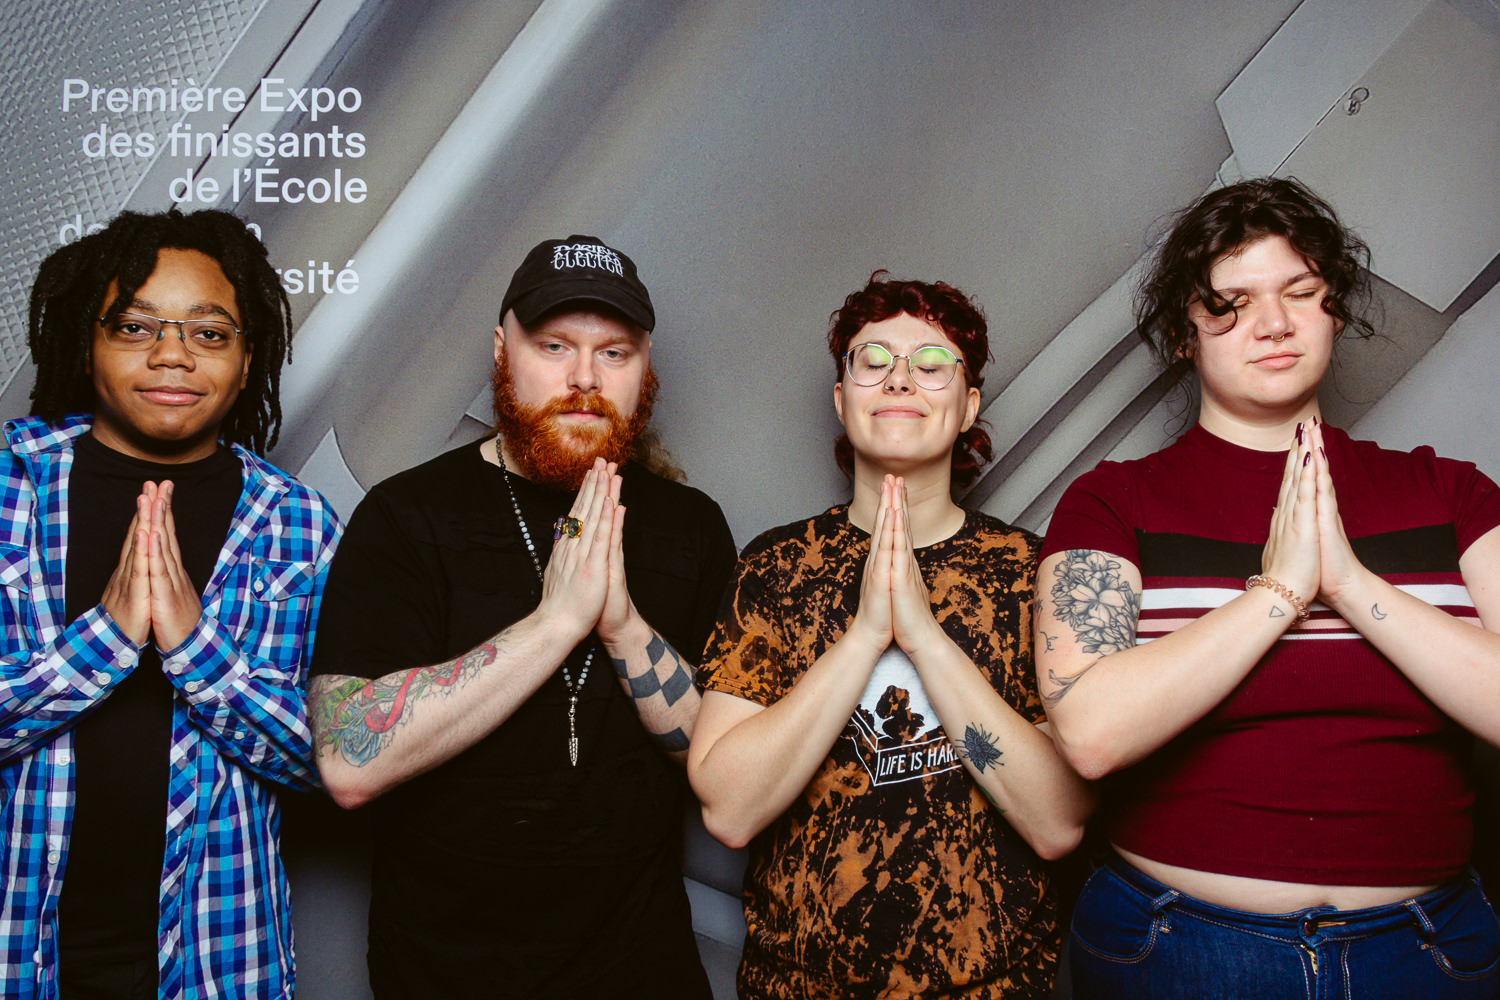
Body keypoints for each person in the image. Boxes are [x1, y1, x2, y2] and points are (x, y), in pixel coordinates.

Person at [1037, 177, 1500, 998]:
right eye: (1231, 303)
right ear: (1185, 329)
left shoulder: (1452, 492)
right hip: (1180, 951)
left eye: (1302, 291)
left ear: (1335, 309)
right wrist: (1278, 593)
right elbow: (1092, 734)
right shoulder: (1114, 502)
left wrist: (1350, 585)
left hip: (1427, 953)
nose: (1275, 323)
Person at [307, 235, 737, 998]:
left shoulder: (691, 527)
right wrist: (554, 623)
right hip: (446, 977)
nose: (584, 378)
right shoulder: (408, 517)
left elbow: (730, 772)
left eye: (614, 353)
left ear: (645, 368)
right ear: (502, 352)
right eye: (553, 346)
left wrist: (622, 625)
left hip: (643, 972)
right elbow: (349, 762)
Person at [689, 273, 1093, 999]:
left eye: (932, 364)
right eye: (872, 361)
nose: (900, 378)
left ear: (969, 406)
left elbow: (1057, 823)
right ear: (841, 399)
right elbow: (730, 809)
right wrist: (864, 637)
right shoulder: (776, 567)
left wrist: (926, 637)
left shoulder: (1030, 574)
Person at [0, 209, 342, 999]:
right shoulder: (10, 490)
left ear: (249, 359)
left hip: (217, 960)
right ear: (86, 344)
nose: (172, 355)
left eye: (209, 333)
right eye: (135, 326)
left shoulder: (297, 526)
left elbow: (334, 762)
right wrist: (103, 642)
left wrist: (196, 651)